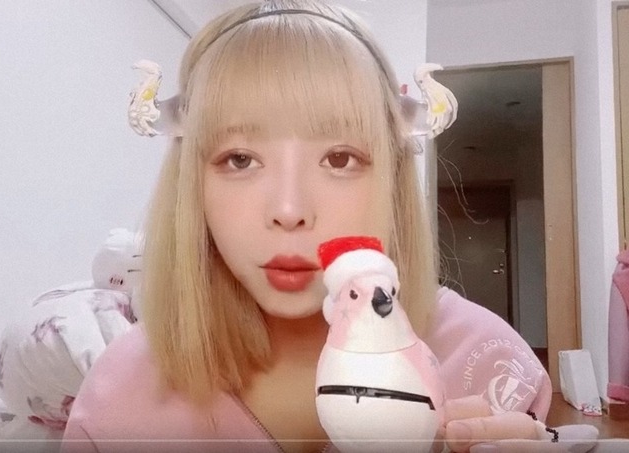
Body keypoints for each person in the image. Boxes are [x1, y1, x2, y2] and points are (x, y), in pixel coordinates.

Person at [61, 1, 555, 452]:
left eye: (339, 158)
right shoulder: (119, 400)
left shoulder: (483, 362)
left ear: (393, 177)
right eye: (240, 159)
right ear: (193, 183)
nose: (289, 209)